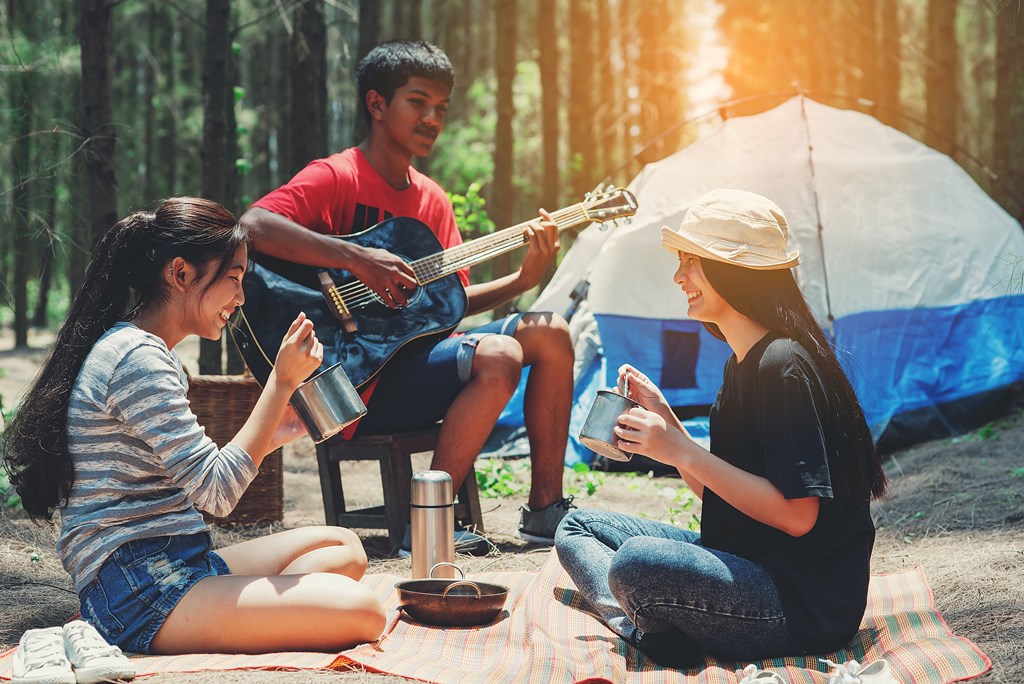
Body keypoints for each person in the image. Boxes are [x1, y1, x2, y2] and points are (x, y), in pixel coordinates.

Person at [2, 197, 386, 655]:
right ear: (181, 274)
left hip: (178, 559)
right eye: (233, 279)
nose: (240, 298)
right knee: (363, 611)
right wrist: (280, 382)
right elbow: (217, 494)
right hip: (137, 588)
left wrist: (276, 430)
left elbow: (200, 478)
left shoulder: (145, 351)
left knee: (344, 548)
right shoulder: (137, 361)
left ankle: (237, 612)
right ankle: (206, 616)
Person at [240, 40, 576, 548]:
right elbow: (252, 225)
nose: (432, 118)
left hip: (418, 365)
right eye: (417, 102)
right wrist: (354, 258)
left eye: (440, 108)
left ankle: (545, 509)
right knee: (501, 354)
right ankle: (427, 525)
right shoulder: (335, 176)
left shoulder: (432, 200)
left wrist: (522, 283)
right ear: (377, 105)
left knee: (551, 332)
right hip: (350, 383)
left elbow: (449, 304)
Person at [555, 189, 888, 668]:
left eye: (693, 261)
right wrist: (673, 433)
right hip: (745, 559)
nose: (678, 276)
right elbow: (723, 488)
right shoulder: (743, 363)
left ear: (734, 270)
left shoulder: (783, 365)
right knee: (578, 525)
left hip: (798, 603)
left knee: (635, 564)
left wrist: (683, 453)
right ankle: (649, 627)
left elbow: (799, 516)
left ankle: (646, 629)